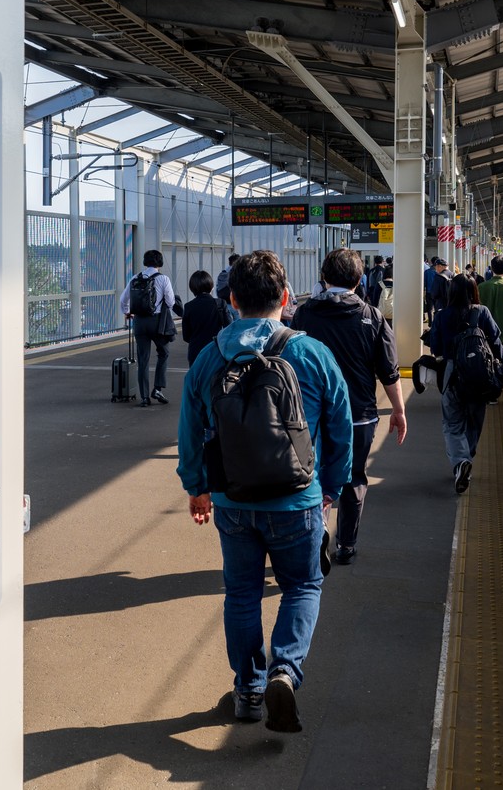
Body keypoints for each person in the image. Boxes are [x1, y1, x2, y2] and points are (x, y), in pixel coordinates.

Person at [177, 250, 352, 733]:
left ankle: (249, 690)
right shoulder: (312, 353)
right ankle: (284, 670)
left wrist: (197, 488)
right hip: (299, 500)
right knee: (302, 585)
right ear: (286, 297)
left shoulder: (211, 356)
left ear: (231, 299)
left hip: (232, 502)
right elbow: (340, 427)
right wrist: (331, 487)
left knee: (241, 593)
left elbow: (191, 431)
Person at [293, 248, 407, 565]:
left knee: (312, 475)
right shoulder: (373, 318)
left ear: (324, 278)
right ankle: (346, 545)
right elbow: (389, 371)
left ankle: (317, 533)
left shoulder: (305, 314)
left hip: (311, 414)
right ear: (359, 279)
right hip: (359, 415)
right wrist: (398, 410)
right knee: (354, 477)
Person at [428, 274, 503, 493]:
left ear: (450, 291)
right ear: (475, 291)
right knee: (474, 422)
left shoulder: (442, 315)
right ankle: (466, 459)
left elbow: (435, 348)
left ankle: (461, 462)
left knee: (453, 423)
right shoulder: (482, 312)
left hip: (452, 374)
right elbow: (495, 343)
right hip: (480, 375)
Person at [119, 249, 177, 408]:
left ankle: (144, 397)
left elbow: (123, 300)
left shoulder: (135, 278)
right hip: (157, 322)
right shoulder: (163, 279)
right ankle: (157, 389)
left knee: (143, 360)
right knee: (163, 353)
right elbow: (171, 303)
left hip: (139, 322)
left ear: (145, 262)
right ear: (160, 262)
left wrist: (127, 312)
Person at [181, 269, 231, 366]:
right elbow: (229, 326)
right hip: (215, 350)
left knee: (196, 379)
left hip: (195, 351)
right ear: (211, 286)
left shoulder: (188, 306)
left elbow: (186, 336)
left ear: (192, 288)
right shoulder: (220, 304)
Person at [215, 253, 240, 321]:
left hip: (225, 304)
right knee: (238, 326)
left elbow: (217, 288)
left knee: (228, 326)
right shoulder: (239, 272)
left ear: (229, 262)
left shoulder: (223, 272)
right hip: (236, 305)